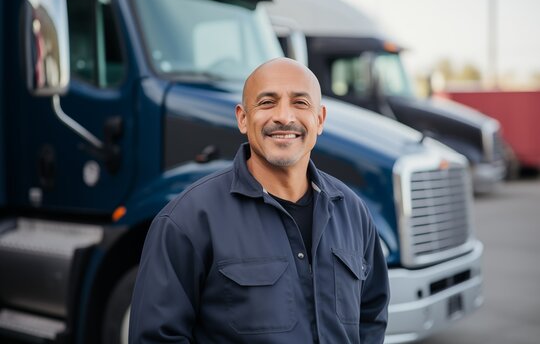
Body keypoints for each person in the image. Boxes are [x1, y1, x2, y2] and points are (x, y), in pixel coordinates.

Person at [129, 58, 389, 343]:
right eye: (267, 102)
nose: (284, 117)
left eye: (300, 103)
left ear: (320, 119)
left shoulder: (353, 212)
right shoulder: (186, 221)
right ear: (242, 118)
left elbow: (371, 316)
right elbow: (157, 337)